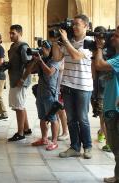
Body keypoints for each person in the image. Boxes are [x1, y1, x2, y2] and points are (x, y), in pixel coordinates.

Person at [52, 14, 93, 159]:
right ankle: (75, 147)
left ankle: (87, 147)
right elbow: (57, 58)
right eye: (73, 24)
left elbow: (76, 56)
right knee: (71, 119)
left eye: (77, 24)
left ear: (86, 26)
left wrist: (65, 41)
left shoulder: (89, 42)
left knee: (82, 118)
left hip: (83, 86)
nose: (74, 27)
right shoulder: (68, 41)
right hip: (67, 84)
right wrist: (56, 42)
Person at [93, 26, 119, 183]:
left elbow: (99, 65)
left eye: (116, 35)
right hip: (111, 105)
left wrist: (100, 47)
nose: (112, 37)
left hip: (116, 108)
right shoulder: (115, 55)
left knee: (117, 146)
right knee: (114, 146)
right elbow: (95, 69)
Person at [31, 42, 60, 151]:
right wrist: (34, 61)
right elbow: (30, 71)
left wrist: (40, 61)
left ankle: (54, 141)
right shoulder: (42, 59)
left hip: (50, 93)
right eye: (42, 48)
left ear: (51, 50)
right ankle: (44, 139)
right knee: (42, 117)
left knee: (53, 118)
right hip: (40, 93)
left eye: (46, 48)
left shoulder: (55, 60)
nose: (43, 50)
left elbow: (49, 72)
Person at [7, 24, 32, 142]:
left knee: (19, 107)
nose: (11, 35)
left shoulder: (23, 46)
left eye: (13, 33)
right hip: (14, 80)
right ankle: (26, 129)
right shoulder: (13, 46)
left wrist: (22, 79)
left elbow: (29, 65)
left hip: (20, 81)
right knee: (20, 105)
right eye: (10, 33)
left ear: (20, 33)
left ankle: (20, 133)